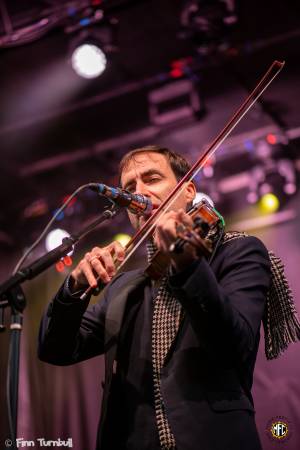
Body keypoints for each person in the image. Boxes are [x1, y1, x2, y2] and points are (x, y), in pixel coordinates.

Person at [38, 145, 272, 450]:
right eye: (130, 188)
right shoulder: (124, 287)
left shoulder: (237, 252)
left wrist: (185, 261)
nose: (140, 194)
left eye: (152, 179)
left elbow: (232, 344)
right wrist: (74, 287)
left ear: (188, 191)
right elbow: (55, 349)